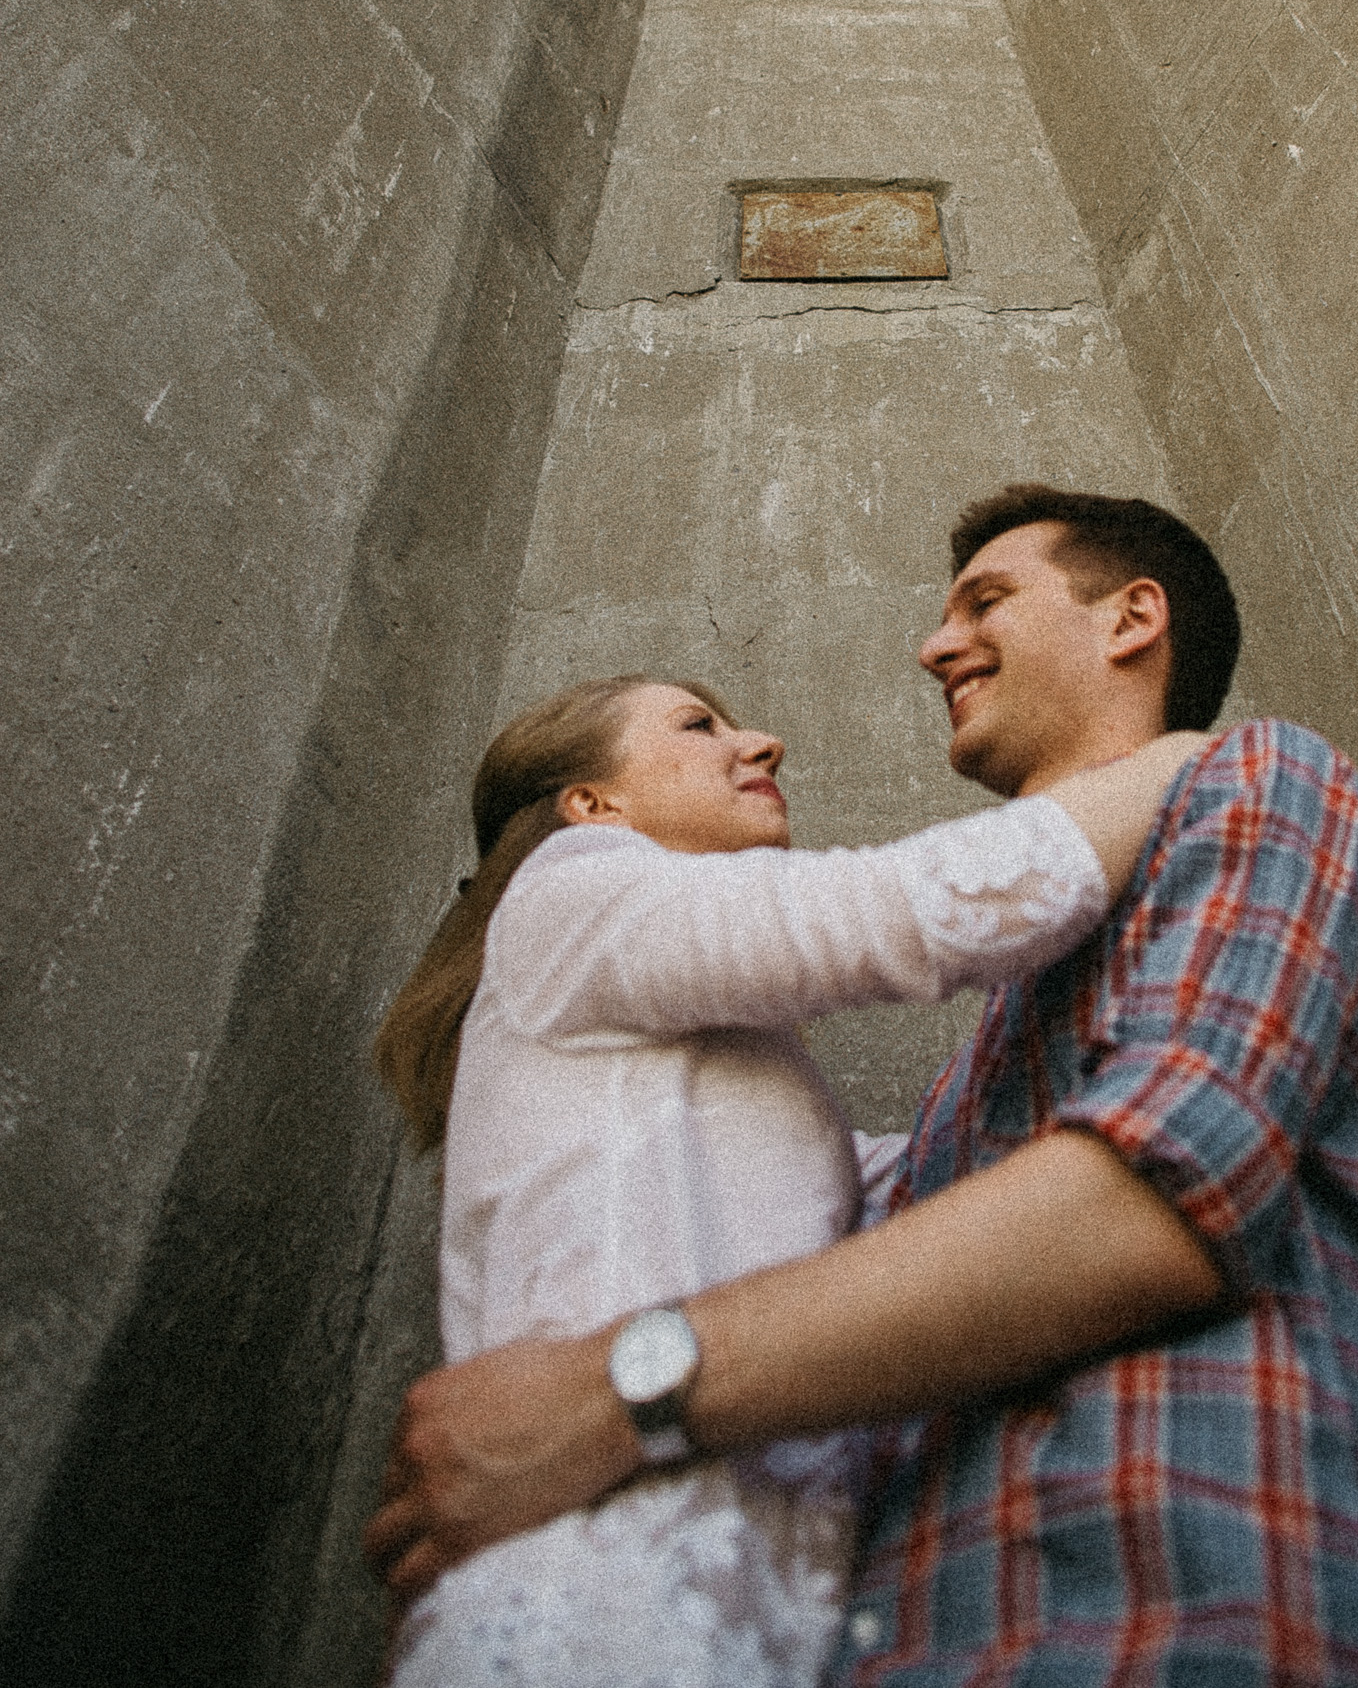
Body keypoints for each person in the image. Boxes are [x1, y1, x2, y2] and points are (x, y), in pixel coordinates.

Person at [368, 487, 1358, 1687]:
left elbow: (1144, 1204)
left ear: (1131, 620)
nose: (932, 643)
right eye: (697, 727)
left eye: (984, 599)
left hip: (1204, 1611)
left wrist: (609, 1390)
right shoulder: (962, 1062)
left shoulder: (1256, 781)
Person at [374, 663, 1208, 1688]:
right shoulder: (570, 886)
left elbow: (913, 1182)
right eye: (697, 724)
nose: (760, 742)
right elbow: (896, 911)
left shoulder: (705, 1058)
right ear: (593, 804)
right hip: (596, 1597)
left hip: (748, 1602)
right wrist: (1189, 765)